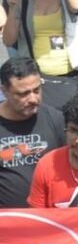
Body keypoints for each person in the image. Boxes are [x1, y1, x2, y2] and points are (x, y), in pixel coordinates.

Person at [3, 0, 78, 110]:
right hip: (36, 78)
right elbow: (8, 40)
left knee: (64, 126)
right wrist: (12, 8)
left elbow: (77, 5)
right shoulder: (23, 0)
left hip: (66, 75)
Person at [0, 58, 65, 208]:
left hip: (49, 219)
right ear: (4, 91)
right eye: (23, 94)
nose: (33, 99)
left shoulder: (55, 119)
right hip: (6, 223)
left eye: (37, 90)